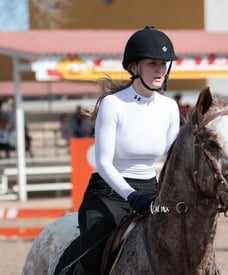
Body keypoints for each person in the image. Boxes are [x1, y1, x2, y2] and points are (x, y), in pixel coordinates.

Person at [77, 26, 180, 275]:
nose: (159, 69)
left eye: (163, 63)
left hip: (152, 193)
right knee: (93, 260)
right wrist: (131, 195)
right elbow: (103, 162)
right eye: (152, 63)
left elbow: (172, 158)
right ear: (133, 67)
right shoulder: (113, 105)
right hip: (109, 194)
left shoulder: (170, 107)